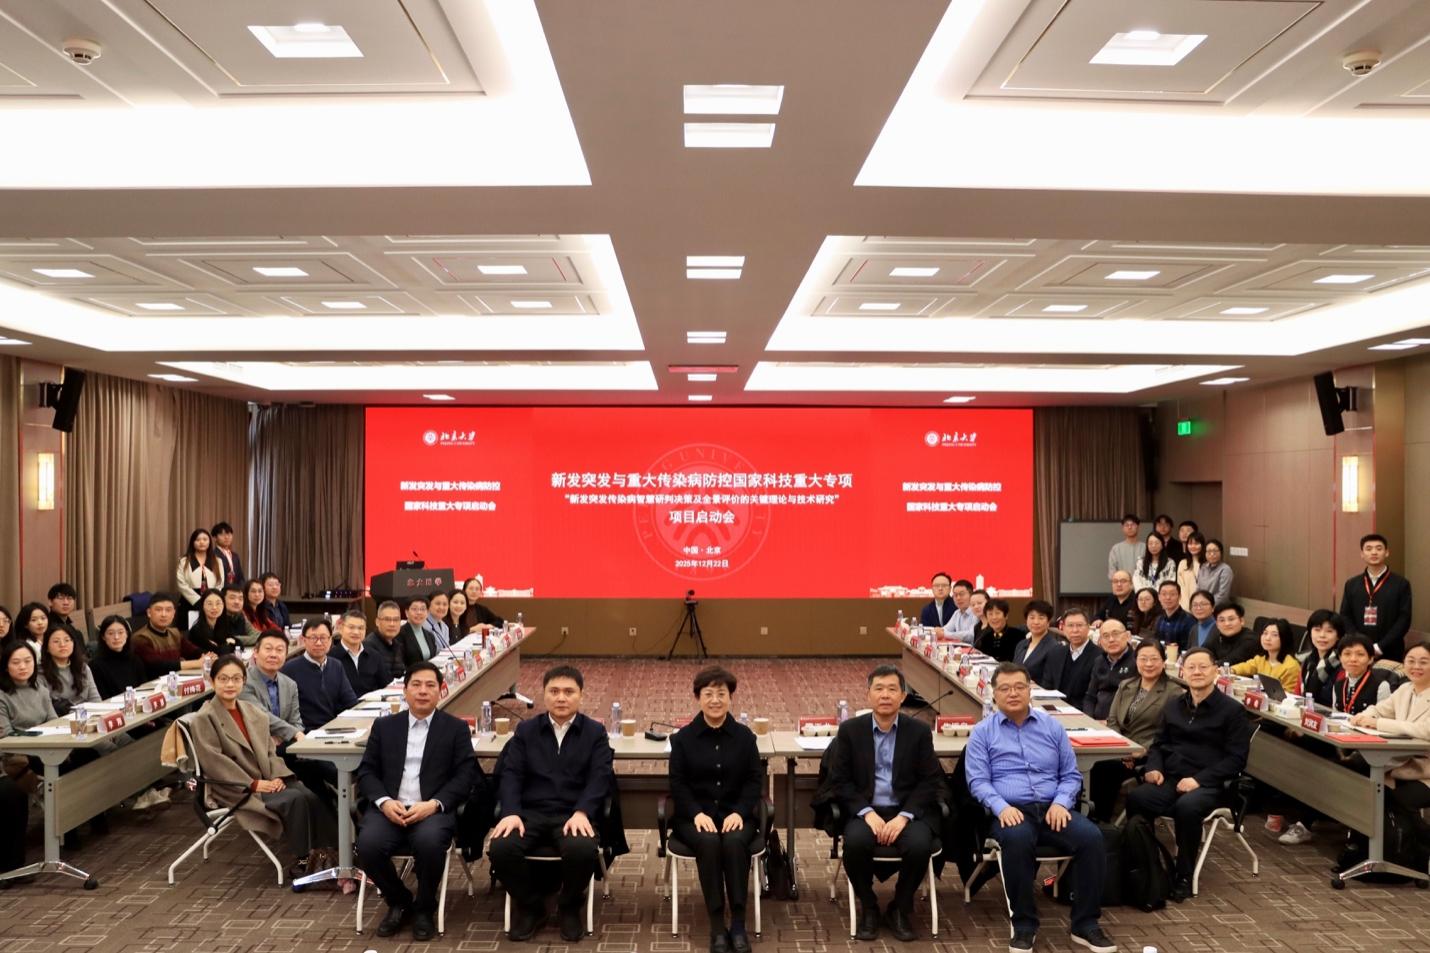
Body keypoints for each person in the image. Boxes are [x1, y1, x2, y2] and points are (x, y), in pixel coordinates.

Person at [966, 662, 1118, 953]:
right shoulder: (983, 732)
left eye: (1019, 687)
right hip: (1011, 810)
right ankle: (1024, 925)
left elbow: (1070, 775)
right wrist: (1001, 807)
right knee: (1018, 839)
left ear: (1030, 690)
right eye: (1005, 688)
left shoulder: (1052, 727)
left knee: (1091, 838)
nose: (1013, 693)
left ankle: (1085, 923)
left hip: (1052, 809)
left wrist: (1061, 802)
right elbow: (978, 781)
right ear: (994, 694)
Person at [356, 661, 480, 942]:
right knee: (368, 846)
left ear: (441, 690)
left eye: (430, 685)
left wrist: (435, 804)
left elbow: (465, 776)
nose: (423, 691)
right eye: (416, 685)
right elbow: (366, 772)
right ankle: (399, 901)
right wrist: (384, 802)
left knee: (429, 843)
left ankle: (424, 907)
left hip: (431, 810)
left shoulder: (455, 728)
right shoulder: (384, 726)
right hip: (391, 808)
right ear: (405, 690)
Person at [490, 664, 614, 943]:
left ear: (581, 695)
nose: (561, 698)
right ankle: (531, 906)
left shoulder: (595, 732)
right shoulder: (526, 730)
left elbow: (600, 777)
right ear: (544, 695)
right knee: (501, 848)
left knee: (582, 849)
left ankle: (569, 905)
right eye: (554, 691)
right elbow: (511, 774)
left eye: (569, 692)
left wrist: (583, 811)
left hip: (572, 813)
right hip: (530, 813)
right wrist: (510, 812)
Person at [823, 665, 943, 942]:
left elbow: (929, 781)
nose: (885, 695)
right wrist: (867, 813)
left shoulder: (918, 731)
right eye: (879, 689)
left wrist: (904, 816)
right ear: (868, 695)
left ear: (903, 696)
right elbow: (839, 781)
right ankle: (869, 906)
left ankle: (900, 907)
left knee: (919, 846)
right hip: (866, 810)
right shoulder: (851, 730)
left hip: (905, 810)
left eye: (892, 689)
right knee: (855, 844)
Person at [187, 654, 336, 871]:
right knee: (294, 799)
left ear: (244, 681)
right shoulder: (205, 717)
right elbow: (214, 762)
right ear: (212, 681)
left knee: (310, 795)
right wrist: (254, 784)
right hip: (234, 787)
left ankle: (329, 853)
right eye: (223, 679)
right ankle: (304, 860)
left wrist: (277, 776)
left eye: (236, 679)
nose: (230, 684)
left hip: (266, 777)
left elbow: (270, 751)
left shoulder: (252, 711)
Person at [1126, 646, 1251, 902]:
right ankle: (1148, 865)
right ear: (1182, 672)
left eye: (1203, 667)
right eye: (1191, 667)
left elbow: (1236, 759)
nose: (1197, 672)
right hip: (1172, 777)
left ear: (1216, 671)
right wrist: (1153, 768)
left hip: (1211, 784)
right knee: (1138, 798)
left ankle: (1184, 874)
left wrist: (1198, 780)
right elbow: (1159, 744)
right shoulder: (1173, 705)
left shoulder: (1232, 710)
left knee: (1188, 807)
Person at [668, 666, 763, 953]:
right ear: (698, 698)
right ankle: (717, 926)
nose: (715, 700)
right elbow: (678, 784)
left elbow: (754, 781)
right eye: (708, 694)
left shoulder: (745, 737)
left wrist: (740, 812)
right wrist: (696, 813)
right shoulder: (683, 739)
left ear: (731, 698)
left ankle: (738, 924)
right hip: (693, 818)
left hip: (737, 815)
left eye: (722, 694)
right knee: (708, 843)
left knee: (734, 843)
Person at [1089, 641, 1182, 822]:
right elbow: (1113, 720)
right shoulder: (1126, 685)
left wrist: (1135, 750)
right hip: (1119, 748)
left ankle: (1101, 821)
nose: (1148, 664)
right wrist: (1122, 748)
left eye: (1154, 659)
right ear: (1136, 661)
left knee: (1104, 768)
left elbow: (1167, 734)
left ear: (1163, 661)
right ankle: (1086, 814)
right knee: (1088, 763)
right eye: (1143, 659)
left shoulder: (1173, 693)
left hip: (1147, 754)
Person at [1350, 642, 1430, 823]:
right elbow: (1379, 710)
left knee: (1393, 799)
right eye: (1411, 661)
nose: (1416, 667)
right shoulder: (1405, 689)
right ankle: (1361, 837)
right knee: (1358, 782)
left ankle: (1419, 839)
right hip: (1401, 764)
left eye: (1423, 662)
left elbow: (1424, 730)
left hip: (1425, 771)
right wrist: (1363, 716)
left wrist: (1378, 723)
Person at [1339, 533, 1414, 661]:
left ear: (1387, 552)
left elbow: (1404, 619)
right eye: (1368, 549)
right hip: (1358, 651)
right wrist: (1360, 643)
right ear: (1362, 554)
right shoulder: (1352, 584)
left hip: (1391, 650)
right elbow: (1345, 615)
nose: (1374, 552)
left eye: (1379, 548)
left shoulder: (1401, 584)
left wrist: (1380, 647)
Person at [281, 619, 358, 734]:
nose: (318, 643)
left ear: (330, 640)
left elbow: (350, 702)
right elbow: (286, 714)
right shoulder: (289, 669)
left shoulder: (336, 665)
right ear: (303, 640)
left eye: (323, 638)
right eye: (313, 638)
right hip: (306, 733)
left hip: (336, 729)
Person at [130, 592, 212, 679]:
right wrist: (196, 663)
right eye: (158, 610)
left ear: (173, 614)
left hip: (176, 679)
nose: (164, 614)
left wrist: (208, 656)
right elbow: (158, 666)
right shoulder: (140, 637)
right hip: (153, 683)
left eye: (168, 610)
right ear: (149, 613)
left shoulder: (175, 633)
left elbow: (193, 651)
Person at [1231, 619, 1302, 694]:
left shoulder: (1291, 666)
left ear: (1285, 639)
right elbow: (1245, 667)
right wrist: (1230, 670)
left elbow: (1290, 694)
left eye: (1274, 635)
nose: (1267, 638)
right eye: (1265, 633)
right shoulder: (1261, 659)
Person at [1083, 620, 1136, 719]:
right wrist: (1088, 719)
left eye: (1115, 634)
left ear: (1127, 636)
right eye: (1106, 636)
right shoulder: (1099, 661)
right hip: (1096, 721)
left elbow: (1136, 702)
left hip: (1121, 722)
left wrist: (1110, 722)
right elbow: (1090, 696)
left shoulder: (1137, 661)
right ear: (1100, 641)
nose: (1111, 640)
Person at [1331, 634, 1394, 714]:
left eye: (1360, 654)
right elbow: (1334, 715)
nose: (1353, 659)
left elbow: (1383, 717)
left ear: (1370, 659)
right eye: (1347, 654)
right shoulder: (1337, 685)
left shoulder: (1381, 686)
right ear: (1340, 658)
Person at [1013, 601, 1069, 692]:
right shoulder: (1021, 644)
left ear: (1048, 621)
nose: (1036, 622)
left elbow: (1052, 683)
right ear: (1026, 620)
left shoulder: (1054, 648)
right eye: (1032, 617)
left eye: (1041, 618)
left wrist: (1035, 686)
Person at [89, 615, 148, 699]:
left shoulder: (135, 659)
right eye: (110, 633)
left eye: (120, 632)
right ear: (103, 637)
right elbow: (102, 698)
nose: (116, 637)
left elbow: (145, 688)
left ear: (127, 634)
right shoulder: (95, 666)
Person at [1297, 609, 1345, 708]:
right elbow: (1297, 694)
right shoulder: (1308, 661)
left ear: (1338, 636)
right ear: (1310, 632)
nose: (1322, 635)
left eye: (1329, 631)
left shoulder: (1343, 664)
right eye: (1317, 630)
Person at [335, 607, 389, 695]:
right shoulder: (331, 657)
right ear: (340, 628)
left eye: (361, 628)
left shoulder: (375, 656)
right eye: (351, 627)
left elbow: (385, 686)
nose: (356, 632)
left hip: (372, 702)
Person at [176, 527, 222, 624]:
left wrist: (211, 599)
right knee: (189, 631)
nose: (201, 542)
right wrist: (198, 601)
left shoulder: (217, 561)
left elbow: (220, 583)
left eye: (205, 539)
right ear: (193, 542)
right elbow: (181, 584)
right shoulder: (184, 561)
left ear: (209, 542)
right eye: (198, 540)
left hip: (212, 602)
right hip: (189, 602)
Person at [1059, 609, 1102, 709]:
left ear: (1088, 627)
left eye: (1079, 625)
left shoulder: (1099, 656)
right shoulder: (1056, 653)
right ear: (1063, 628)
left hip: (1083, 712)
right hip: (1056, 709)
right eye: (1070, 625)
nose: (1075, 630)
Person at [187, 590, 241, 657]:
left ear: (223, 605)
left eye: (218, 603)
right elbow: (219, 652)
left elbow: (239, 645)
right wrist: (228, 643)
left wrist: (223, 646)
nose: (214, 607)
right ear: (202, 606)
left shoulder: (223, 625)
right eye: (209, 604)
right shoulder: (197, 630)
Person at [366, 600, 408, 681]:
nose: (392, 624)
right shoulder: (369, 646)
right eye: (387, 619)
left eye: (396, 620)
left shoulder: (397, 644)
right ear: (377, 622)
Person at [1205, 602, 1256, 667]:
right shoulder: (1217, 637)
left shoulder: (1251, 640)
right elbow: (1201, 652)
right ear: (1217, 624)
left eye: (1231, 619)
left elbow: (1229, 662)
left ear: (1242, 621)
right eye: (1222, 620)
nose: (1227, 624)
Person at [975, 598, 1024, 663]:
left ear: (1006, 616)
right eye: (990, 614)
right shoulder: (985, 638)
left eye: (997, 613)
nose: (994, 617)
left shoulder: (1018, 635)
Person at [1153, 580, 1195, 649]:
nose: (1168, 597)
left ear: (1179, 596)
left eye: (1172, 594)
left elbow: (1191, 647)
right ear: (1159, 597)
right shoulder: (1159, 619)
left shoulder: (1189, 620)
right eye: (1164, 594)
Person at [399, 596, 440, 666]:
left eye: (422, 609)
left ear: (427, 613)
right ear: (406, 612)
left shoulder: (430, 635)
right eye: (414, 609)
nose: (419, 612)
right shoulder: (400, 634)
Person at [1196, 539, 1233, 606]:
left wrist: (1207, 606)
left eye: (1215, 551)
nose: (1212, 554)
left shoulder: (1225, 569)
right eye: (1209, 551)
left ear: (1221, 552)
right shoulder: (1203, 567)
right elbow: (1198, 589)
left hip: (1217, 607)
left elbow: (1222, 596)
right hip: (1202, 606)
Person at [1108, 514, 1144, 580]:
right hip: (1121, 585)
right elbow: (1112, 573)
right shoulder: (1116, 549)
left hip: (1142, 585)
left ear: (1138, 527)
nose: (1129, 527)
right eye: (1127, 525)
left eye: (1132, 524)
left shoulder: (1146, 547)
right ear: (1122, 528)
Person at [1176, 533, 1207, 610]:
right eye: (1190, 543)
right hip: (1186, 606)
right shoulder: (1183, 563)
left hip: (1204, 605)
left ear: (1202, 545)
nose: (1193, 546)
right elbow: (1181, 586)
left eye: (1196, 543)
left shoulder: (1207, 564)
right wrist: (1187, 606)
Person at [211, 521, 245, 587]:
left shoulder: (235, 556)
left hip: (236, 590)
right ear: (215, 538)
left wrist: (241, 589)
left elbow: (240, 577)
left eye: (229, 534)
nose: (226, 537)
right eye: (222, 535)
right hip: (220, 590)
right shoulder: (212, 555)